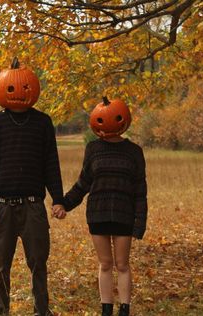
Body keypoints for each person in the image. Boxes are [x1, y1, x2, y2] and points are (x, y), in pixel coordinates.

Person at [0, 57, 65, 316]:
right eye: (11, 88)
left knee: (39, 262)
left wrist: (58, 198)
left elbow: (51, 163)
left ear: (33, 88)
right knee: (0, 265)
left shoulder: (43, 122)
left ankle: (42, 310)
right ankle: (0, 311)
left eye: (24, 87)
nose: (18, 92)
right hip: (3, 206)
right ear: (2, 90)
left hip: (33, 206)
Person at [53, 96, 147, 316]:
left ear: (123, 120)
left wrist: (139, 223)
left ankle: (124, 309)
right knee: (105, 264)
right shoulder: (93, 149)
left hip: (124, 214)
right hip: (98, 214)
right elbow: (83, 183)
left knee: (122, 264)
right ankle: (106, 308)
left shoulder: (134, 152)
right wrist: (64, 204)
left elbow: (140, 191)